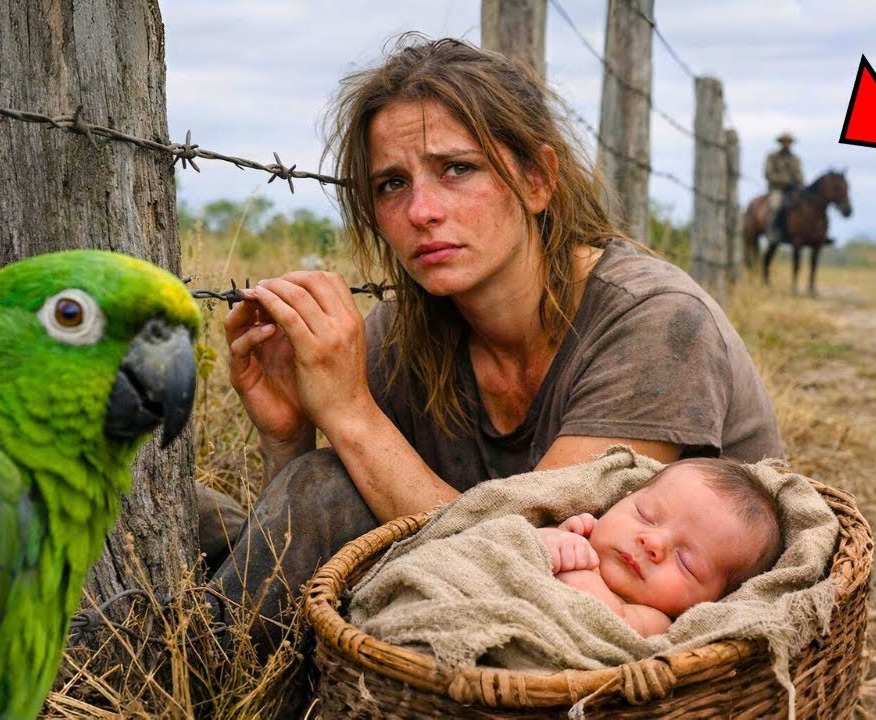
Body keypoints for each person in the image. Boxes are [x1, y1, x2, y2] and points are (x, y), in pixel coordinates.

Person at [197, 34, 784, 660]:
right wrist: (289, 432)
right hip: (448, 627)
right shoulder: (402, 333)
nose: (421, 210)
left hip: (588, 654)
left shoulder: (657, 324)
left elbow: (532, 565)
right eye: (392, 184)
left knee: (325, 487)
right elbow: (305, 551)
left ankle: (183, 669)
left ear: (537, 181)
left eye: (458, 168)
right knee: (186, 508)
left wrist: (346, 410)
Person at [539, 457, 783, 637]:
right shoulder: (578, 534)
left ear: (712, 602)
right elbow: (513, 544)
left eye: (685, 562)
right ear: (620, 500)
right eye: (645, 515)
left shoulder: (654, 621)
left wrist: (578, 569)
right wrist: (554, 536)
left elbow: (608, 627)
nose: (653, 542)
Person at [764, 132, 804, 245]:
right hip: (777, 189)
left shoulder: (795, 159)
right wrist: (786, 180)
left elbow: (800, 175)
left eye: (788, 142)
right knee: (776, 206)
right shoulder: (772, 157)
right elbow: (768, 174)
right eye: (784, 142)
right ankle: (772, 230)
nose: (786, 144)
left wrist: (799, 182)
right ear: (780, 143)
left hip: (793, 190)